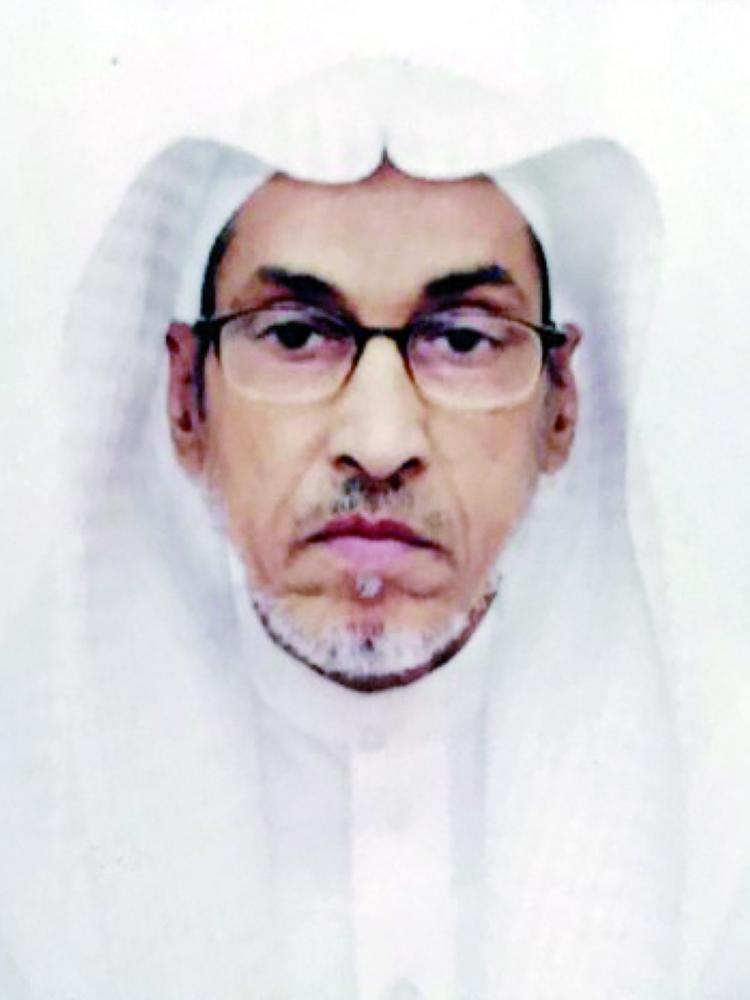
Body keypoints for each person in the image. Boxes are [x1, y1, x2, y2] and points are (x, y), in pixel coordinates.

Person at [1, 60, 746, 999]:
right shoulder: (29, 827)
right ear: (185, 398)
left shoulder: (723, 813)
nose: (382, 441)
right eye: (296, 335)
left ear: (562, 406)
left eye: (463, 340)